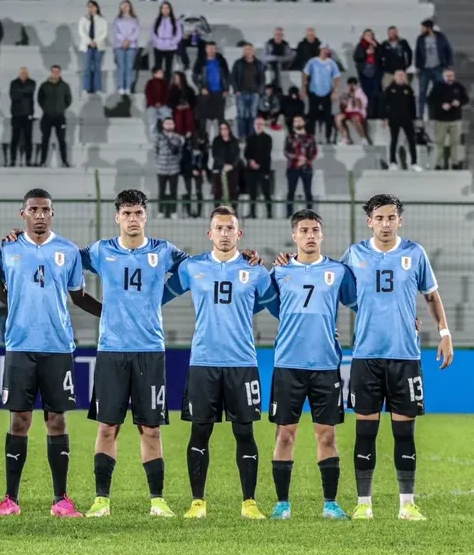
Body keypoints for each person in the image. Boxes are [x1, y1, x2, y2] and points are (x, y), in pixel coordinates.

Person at [0, 190, 102, 517]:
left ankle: (61, 499)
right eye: (33, 209)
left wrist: (110, 313)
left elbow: (78, 297)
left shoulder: (67, 250)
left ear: (52, 214)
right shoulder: (6, 248)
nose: (39, 215)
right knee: (19, 420)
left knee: (57, 420)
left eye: (45, 210)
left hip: (58, 347)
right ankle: (10, 499)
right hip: (20, 346)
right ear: (23, 213)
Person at [338, 195, 451, 520]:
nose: (385, 224)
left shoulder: (414, 254)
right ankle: (364, 504)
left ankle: (407, 504)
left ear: (399, 220)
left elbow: (431, 295)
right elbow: (337, 291)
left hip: (405, 357)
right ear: (369, 221)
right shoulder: (355, 254)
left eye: (391, 218)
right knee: (365, 433)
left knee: (404, 433)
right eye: (379, 218)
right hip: (366, 357)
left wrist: (444, 334)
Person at [164, 206, 274, 520]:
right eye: (219, 228)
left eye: (230, 228)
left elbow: (280, 305)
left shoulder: (255, 270)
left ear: (239, 234)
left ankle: (249, 503)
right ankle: (198, 502)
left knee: (245, 432)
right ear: (209, 233)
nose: (224, 234)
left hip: (242, 362)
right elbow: (156, 296)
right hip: (203, 362)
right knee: (200, 432)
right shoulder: (192, 268)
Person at [81, 189, 184, 519]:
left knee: (151, 429)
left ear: (146, 216)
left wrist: (160, 297)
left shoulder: (163, 251)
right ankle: (101, 500)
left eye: (138, 213)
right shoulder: (101, 251)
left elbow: (198, 269)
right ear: (117, 217)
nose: (133, 219)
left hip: (150, 351)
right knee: (108, 427)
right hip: (112, 350)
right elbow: (65, 257)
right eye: (127, 213)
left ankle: (157, 500)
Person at [262, 209, 354, 521]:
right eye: (304, 230)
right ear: (295, 236)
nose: (310, 235)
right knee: (285, 434)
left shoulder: (338, 272)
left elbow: (359, 301)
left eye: (315, 229)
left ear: (322, 234)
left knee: (326, 435)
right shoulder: (280, 273)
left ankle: (330, 504)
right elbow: (275, 307)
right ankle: (282, 504)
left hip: (326, 365)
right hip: (288, 364)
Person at [429, 68, 468, 170]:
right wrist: (441, 105)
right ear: (443, 76)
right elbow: (431, 100)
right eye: (448, 76)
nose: (450, 78)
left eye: (451, 76)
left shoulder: (458, 86)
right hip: (440, 120)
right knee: (439, 143)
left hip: (455, 120)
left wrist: (459, 102)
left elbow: (466, 99)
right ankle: (438, 164)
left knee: (455, 143)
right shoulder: (437, 87)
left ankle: (455, 163)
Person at [415, 19, 453, 120]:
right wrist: (418, 67)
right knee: (422, 92)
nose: (421, 30)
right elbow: (418, 53)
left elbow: (448, 50)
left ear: (428, 28)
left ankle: (439, 114)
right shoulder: (420, 38)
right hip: (425, 69)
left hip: (438, 68)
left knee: (440, 91)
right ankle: (420, 115)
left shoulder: (440, 37)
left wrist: (448, 65)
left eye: (423, 28)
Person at [302, 43, 339, 143]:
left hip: (327, 92)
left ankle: (328, 136)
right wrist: (304, 89)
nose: (325, 51)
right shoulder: (312, 61)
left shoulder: (331, 63)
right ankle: (311, 136)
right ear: (320, 50)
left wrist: (335, 91)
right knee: (312, 115)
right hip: (314, 91)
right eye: (323, 49)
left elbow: (336, 77)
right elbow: (305, 74)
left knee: (328, 116)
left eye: (326, 49)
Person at [37, 65, 73, 167]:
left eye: (57, 72)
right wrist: (46, 108)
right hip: (47, 116)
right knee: (45, 139)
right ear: (51, 72)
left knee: (62, 140)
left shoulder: (65, 86)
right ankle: (43, 161)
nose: (55, 73)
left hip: (60, 117)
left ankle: (64, 161)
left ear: (60, 73)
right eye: (53, 71)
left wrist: (61, 108)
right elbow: (40, 99)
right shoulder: (44, 85)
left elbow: (68, 100)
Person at [383, 70, 419, 171]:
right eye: (399, 76)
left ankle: (414, 162)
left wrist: (414, 118)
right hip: (394, 118)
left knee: (411, 140)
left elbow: (412, 105)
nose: (401, 77)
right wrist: (384, 117)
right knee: (394, 140)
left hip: (407, 118)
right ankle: (393, 162)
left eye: (403, 76)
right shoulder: (389, 89)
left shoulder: (408, 89)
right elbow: (384, 104)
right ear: (394, 77)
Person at [193, 42, 228, 137]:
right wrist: (201, 88)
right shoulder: (201, 60)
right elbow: (194, 76)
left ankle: (222, 138)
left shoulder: (221, 60)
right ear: (206, 49)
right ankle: (202, 140)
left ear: (216, 49)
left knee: (221, 118)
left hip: (219, 92)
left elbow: (227, 75)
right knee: (203, 117)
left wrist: (226, 89)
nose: (211, 50)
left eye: (213, 48)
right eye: (209, 48)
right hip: (205, 92)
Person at [284, 115, 317, 216]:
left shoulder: (310, 138)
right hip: (293, 167)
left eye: (299, 121)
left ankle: (310, 214)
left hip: (306, 167)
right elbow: (286, 152)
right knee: (291, 191)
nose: (297, 123)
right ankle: (289, 213)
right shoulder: (289, 138)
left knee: (308, 191)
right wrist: (297, 158)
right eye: (295, 121)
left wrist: (305, 160)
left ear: (303, 122)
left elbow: (314, 152)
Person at [231, 43, 265, 140]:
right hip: (241, 93)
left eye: (249, 49)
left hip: (254, 93)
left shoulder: (258, 64)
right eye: (246, 49)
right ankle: (241, 136)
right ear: (243, 51)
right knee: (241, 115)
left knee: (253, 116)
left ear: (253, 51)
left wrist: (259, 91)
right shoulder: (238, 63)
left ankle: (251, 137)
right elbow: (233, 77)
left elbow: (262, 79)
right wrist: (236, 90)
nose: (248, 51)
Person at [244, 116, 273, 218]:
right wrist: (251, 161)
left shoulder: (268, 138)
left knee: (266, 192)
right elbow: (246, 153)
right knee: (252, 192)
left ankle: (269, 213)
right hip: (252, 170)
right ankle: (252, 213)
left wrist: (258, 163)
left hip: (264, 169)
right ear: (254, 125)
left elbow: (266, 153)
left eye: (261, 124)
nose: (259, 126)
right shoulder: (250, 138)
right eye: (257, 124)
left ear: (264, 126)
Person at [155, 118, 185, 217]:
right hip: (161, 168)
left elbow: (180, 151)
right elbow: (156, 150)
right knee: (161, 191)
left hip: (174, 168)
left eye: (171, 123)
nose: (168, 125)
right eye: (166, 123)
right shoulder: (159, 137)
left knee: (173, 191)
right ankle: (160, 211)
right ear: (163, 125)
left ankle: (173, 211)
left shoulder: (178, 138)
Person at [78, 0, 107, 94]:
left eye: (92, 6)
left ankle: (97, 88)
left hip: (98, 46)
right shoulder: (84, 19)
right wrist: (89, 41)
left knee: (97, 68)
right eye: (89, 7)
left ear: (96, 7)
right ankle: (86, 88)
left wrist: (95, 41)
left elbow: (104, 33)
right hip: (87, 46)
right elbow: (81, 31)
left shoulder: (102, 19)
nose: (91, 8)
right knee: (86, 68)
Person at [9, 67, 36, 167]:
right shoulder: (13, 83)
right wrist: (24, 92)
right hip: (16, 114)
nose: (23, 74)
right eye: (21, 73)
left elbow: (30, 91)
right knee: (14, 139)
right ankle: (13, 159)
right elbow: (13, 96)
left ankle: (28, 160)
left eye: (25, 73)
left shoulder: (32, 82)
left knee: (28, 139)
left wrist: (19, 92)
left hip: (28, 114)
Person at [353, 29, 382, 120]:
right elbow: (356, 57)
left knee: (376, 93)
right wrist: (366, 53)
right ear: (364, 36)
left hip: (375, 72)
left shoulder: (377, 45)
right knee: (366, 94)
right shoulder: (360, 46)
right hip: (364, 73)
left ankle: (377, 113)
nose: (369, 37)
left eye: (371, 35)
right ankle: (368, 113)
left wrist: (376, 48)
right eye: (367, 35)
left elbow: (382, 56)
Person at [112, 0, 139, 96]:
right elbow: (116, 32)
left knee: (129, 67)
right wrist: (123, 40)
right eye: (123, 6)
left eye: (127, 6)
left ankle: (128, 87)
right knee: (121, 67)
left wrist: (129, 40)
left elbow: (136, 32)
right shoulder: (117, 19)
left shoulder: (134, 19)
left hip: (131, 46)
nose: (125, 7)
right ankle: (121, 87)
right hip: (120, 45)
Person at [336, 77, 372, 146]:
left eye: (353, 85)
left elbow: (360, 106)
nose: (351, 87)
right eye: (349, 85)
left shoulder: (361, 94)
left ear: (356, 85)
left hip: (358, 112)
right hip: (348, 112)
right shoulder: (346, 93)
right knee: (338, 118)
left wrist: (354, 97)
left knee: (355, 118)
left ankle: (364, 139)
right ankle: (345, 139)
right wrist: (343, 101)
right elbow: (342, 109)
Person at [210, 122, 241, 202]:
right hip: (218, 168)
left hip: (232, 169)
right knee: (217, 191)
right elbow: (215, 154)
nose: (223, 131)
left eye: (225, 129)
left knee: (233, 191)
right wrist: (223, 164)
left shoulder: (234, 141)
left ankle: (233, 212)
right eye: (221, 129)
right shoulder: (216, 140)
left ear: (229, 129)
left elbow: (237, 155)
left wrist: (231, 165)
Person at [150, 1, 181, 75]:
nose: (165, 10)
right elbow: (152, 32)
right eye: (163, 8)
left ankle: (167, 84)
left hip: (170, 47)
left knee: (168, 68)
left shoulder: (175, 21)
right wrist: (157, 41)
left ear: (170, 9)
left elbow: (178, 34)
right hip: (158, 47)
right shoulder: (157, 20)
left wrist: (172, 42)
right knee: (158, 68)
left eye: (167, 8)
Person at [181, 132, 209, 215]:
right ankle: (188, 212)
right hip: (188, 172)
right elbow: (185, 160)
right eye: (200, 140)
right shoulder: (187, 147)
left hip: (199, 172)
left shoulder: (204, 148)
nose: (202, 142)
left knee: (199, 191)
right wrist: (192, 169)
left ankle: (199, 213)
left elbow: (205, 160)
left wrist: (203, 170)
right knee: (188, 191)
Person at [145, 67, 171, 137]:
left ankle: (167, 136)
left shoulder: (165, 83)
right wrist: (154, 104)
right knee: (152, 121)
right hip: (151, 105)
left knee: (168, 118)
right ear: (155, 74)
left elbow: (167, 95)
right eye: (160, 72)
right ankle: (154, 138)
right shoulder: (150, 83)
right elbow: (148, 94)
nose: (162, 74)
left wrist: (161, 103)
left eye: (162, 72)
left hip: (163, 105)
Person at [169, 71, 197, 138]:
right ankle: (179, 133)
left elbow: (193, 101)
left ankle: (189, 132)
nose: (176, 79)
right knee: (179, 114)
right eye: (175, 78)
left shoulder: (189, 89)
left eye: (177, 78)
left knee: (189, 113)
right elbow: (169, 102)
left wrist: (188, 105)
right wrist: (176, 106)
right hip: (177, 109)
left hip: (187, 108)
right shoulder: (171, 90)